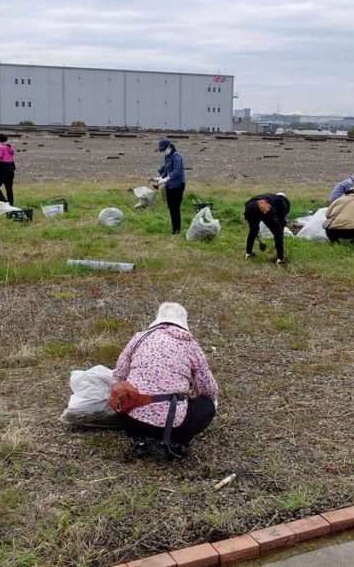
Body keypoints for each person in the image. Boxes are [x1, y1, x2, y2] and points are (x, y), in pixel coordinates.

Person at [109, 302, 218, 458]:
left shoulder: (139, 338)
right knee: (208, 405)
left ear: (158, 319)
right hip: (172, 425)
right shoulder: (191, 346)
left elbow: (118, 375)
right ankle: (177, 442)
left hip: (129, 418)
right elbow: (208, 389)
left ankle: (138, 438)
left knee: (120, 393)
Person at [244, 193, 291, 264]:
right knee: (278, 233)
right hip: (264, 207)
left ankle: (248, 254)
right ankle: (280, 259)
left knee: (253, 230)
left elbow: (252, 204)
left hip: (250, 206)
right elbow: (281, 222)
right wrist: (279, 233)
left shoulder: (271, 196)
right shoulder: (282, 203)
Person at [155, 138, 186, 235]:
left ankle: (177, 230)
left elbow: (177, 171)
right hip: (169, 186)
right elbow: (166, 168)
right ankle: (174, 228)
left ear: (169, 147)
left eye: (163, 149)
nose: (163, 151)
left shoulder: (177, 157)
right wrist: (160, 176)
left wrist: (166, 179)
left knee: (175, 208)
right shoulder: (167, 156)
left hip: (178, 185)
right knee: (170, 207)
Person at [0, 133, 16, 205]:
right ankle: (11, 204)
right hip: (11, 169)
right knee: (9, 189)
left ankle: (4, 202)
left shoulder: (0, 147)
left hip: (2, 169)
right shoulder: (10, 146)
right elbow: (13, 153)